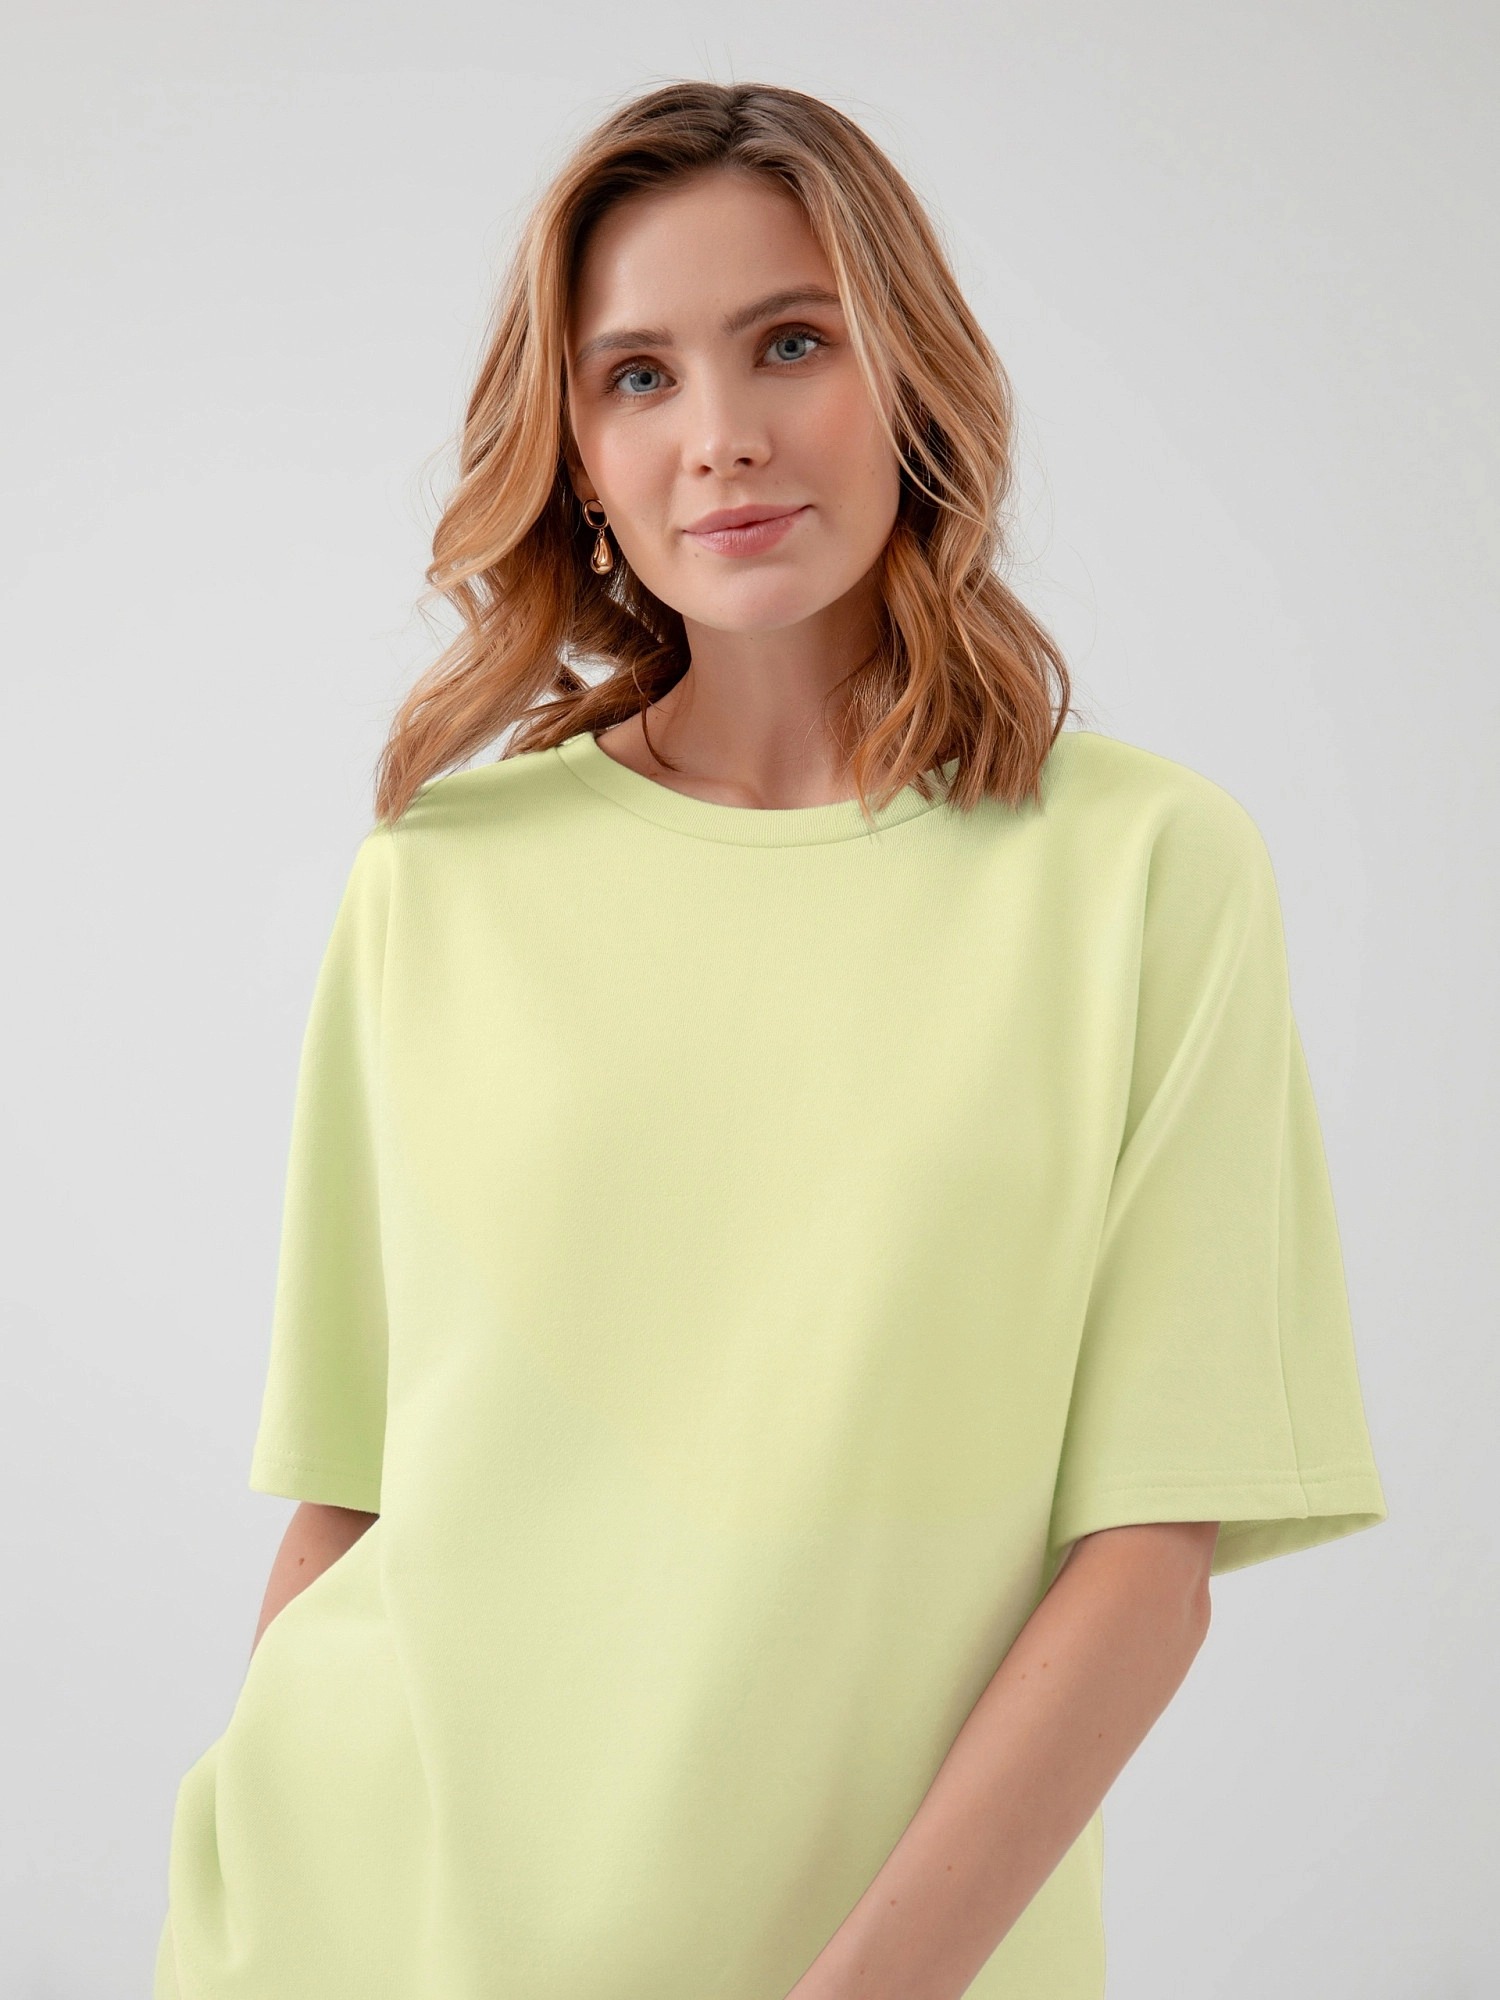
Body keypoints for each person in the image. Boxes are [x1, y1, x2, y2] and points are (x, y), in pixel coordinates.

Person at [153, 79, 1388, 2000]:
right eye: (637, 376)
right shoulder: (442, 885)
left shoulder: (1145, 872)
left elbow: (1149, 1561)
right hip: (377, 1938)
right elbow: (353, 1493)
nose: (720, 435)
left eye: (791, 343)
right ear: (577, 452)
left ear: (912, 379)